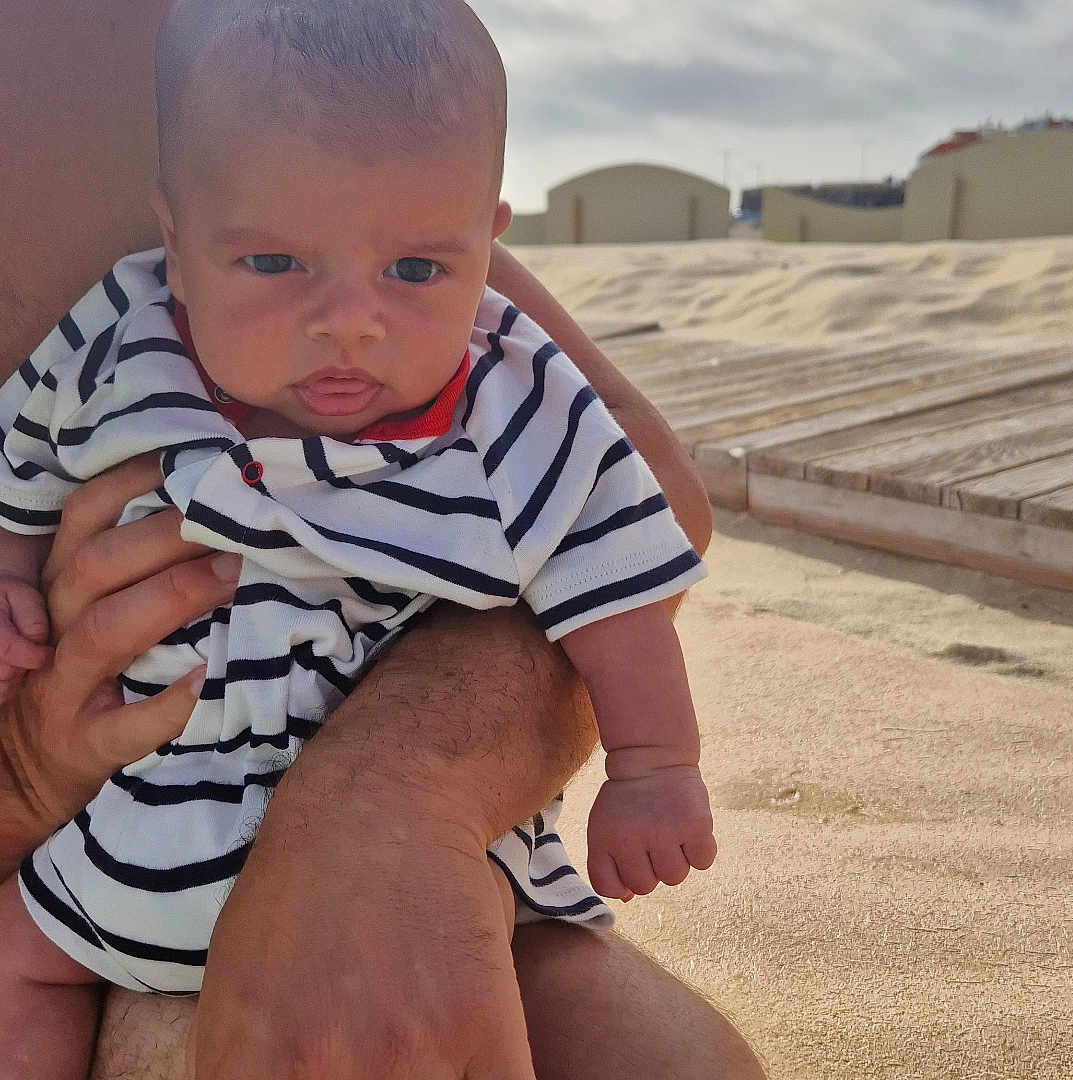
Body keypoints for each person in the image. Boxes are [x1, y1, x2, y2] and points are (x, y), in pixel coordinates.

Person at [0, 1, 767, 1076]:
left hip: (402, 845)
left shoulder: (493, 370)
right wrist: (26, 771)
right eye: (273, 264)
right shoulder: (120, 336)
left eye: (414, 273)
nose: (348, 321)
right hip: (122, 836)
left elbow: (629, 524)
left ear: (483, 244)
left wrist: (415, 794)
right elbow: (28, 451)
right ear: (177, 243)